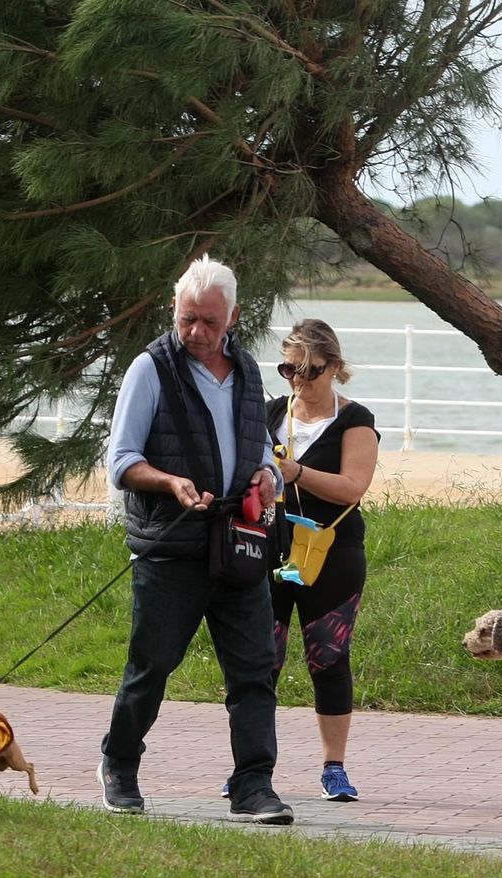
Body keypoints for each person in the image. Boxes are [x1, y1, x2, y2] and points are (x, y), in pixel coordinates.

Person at [98, 254, 294, 825]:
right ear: (174, 311)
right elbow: (122, 460)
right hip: (171, 545)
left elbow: (260, 451)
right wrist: (171, 482)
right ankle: (120, 765)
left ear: (233, 316)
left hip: (239, 542)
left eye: (209, 321)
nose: (196, 332)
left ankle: (253, 785)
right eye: (187, 319)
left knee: (255, 671)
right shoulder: (149, 369)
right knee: (152, 664)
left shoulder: (251, 373)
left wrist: (269, 476)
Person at [263, 320, 380, 800]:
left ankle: (334, 767)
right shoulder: (270, 412)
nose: (296, 379)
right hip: (269, 548)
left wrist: (296, 472)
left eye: (307, 369)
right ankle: (252, 766)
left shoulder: (355, 420)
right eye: (287, 367)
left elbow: (354, 486)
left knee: (327, 659)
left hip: (332, 551)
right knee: (258, 659)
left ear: (333, 366)